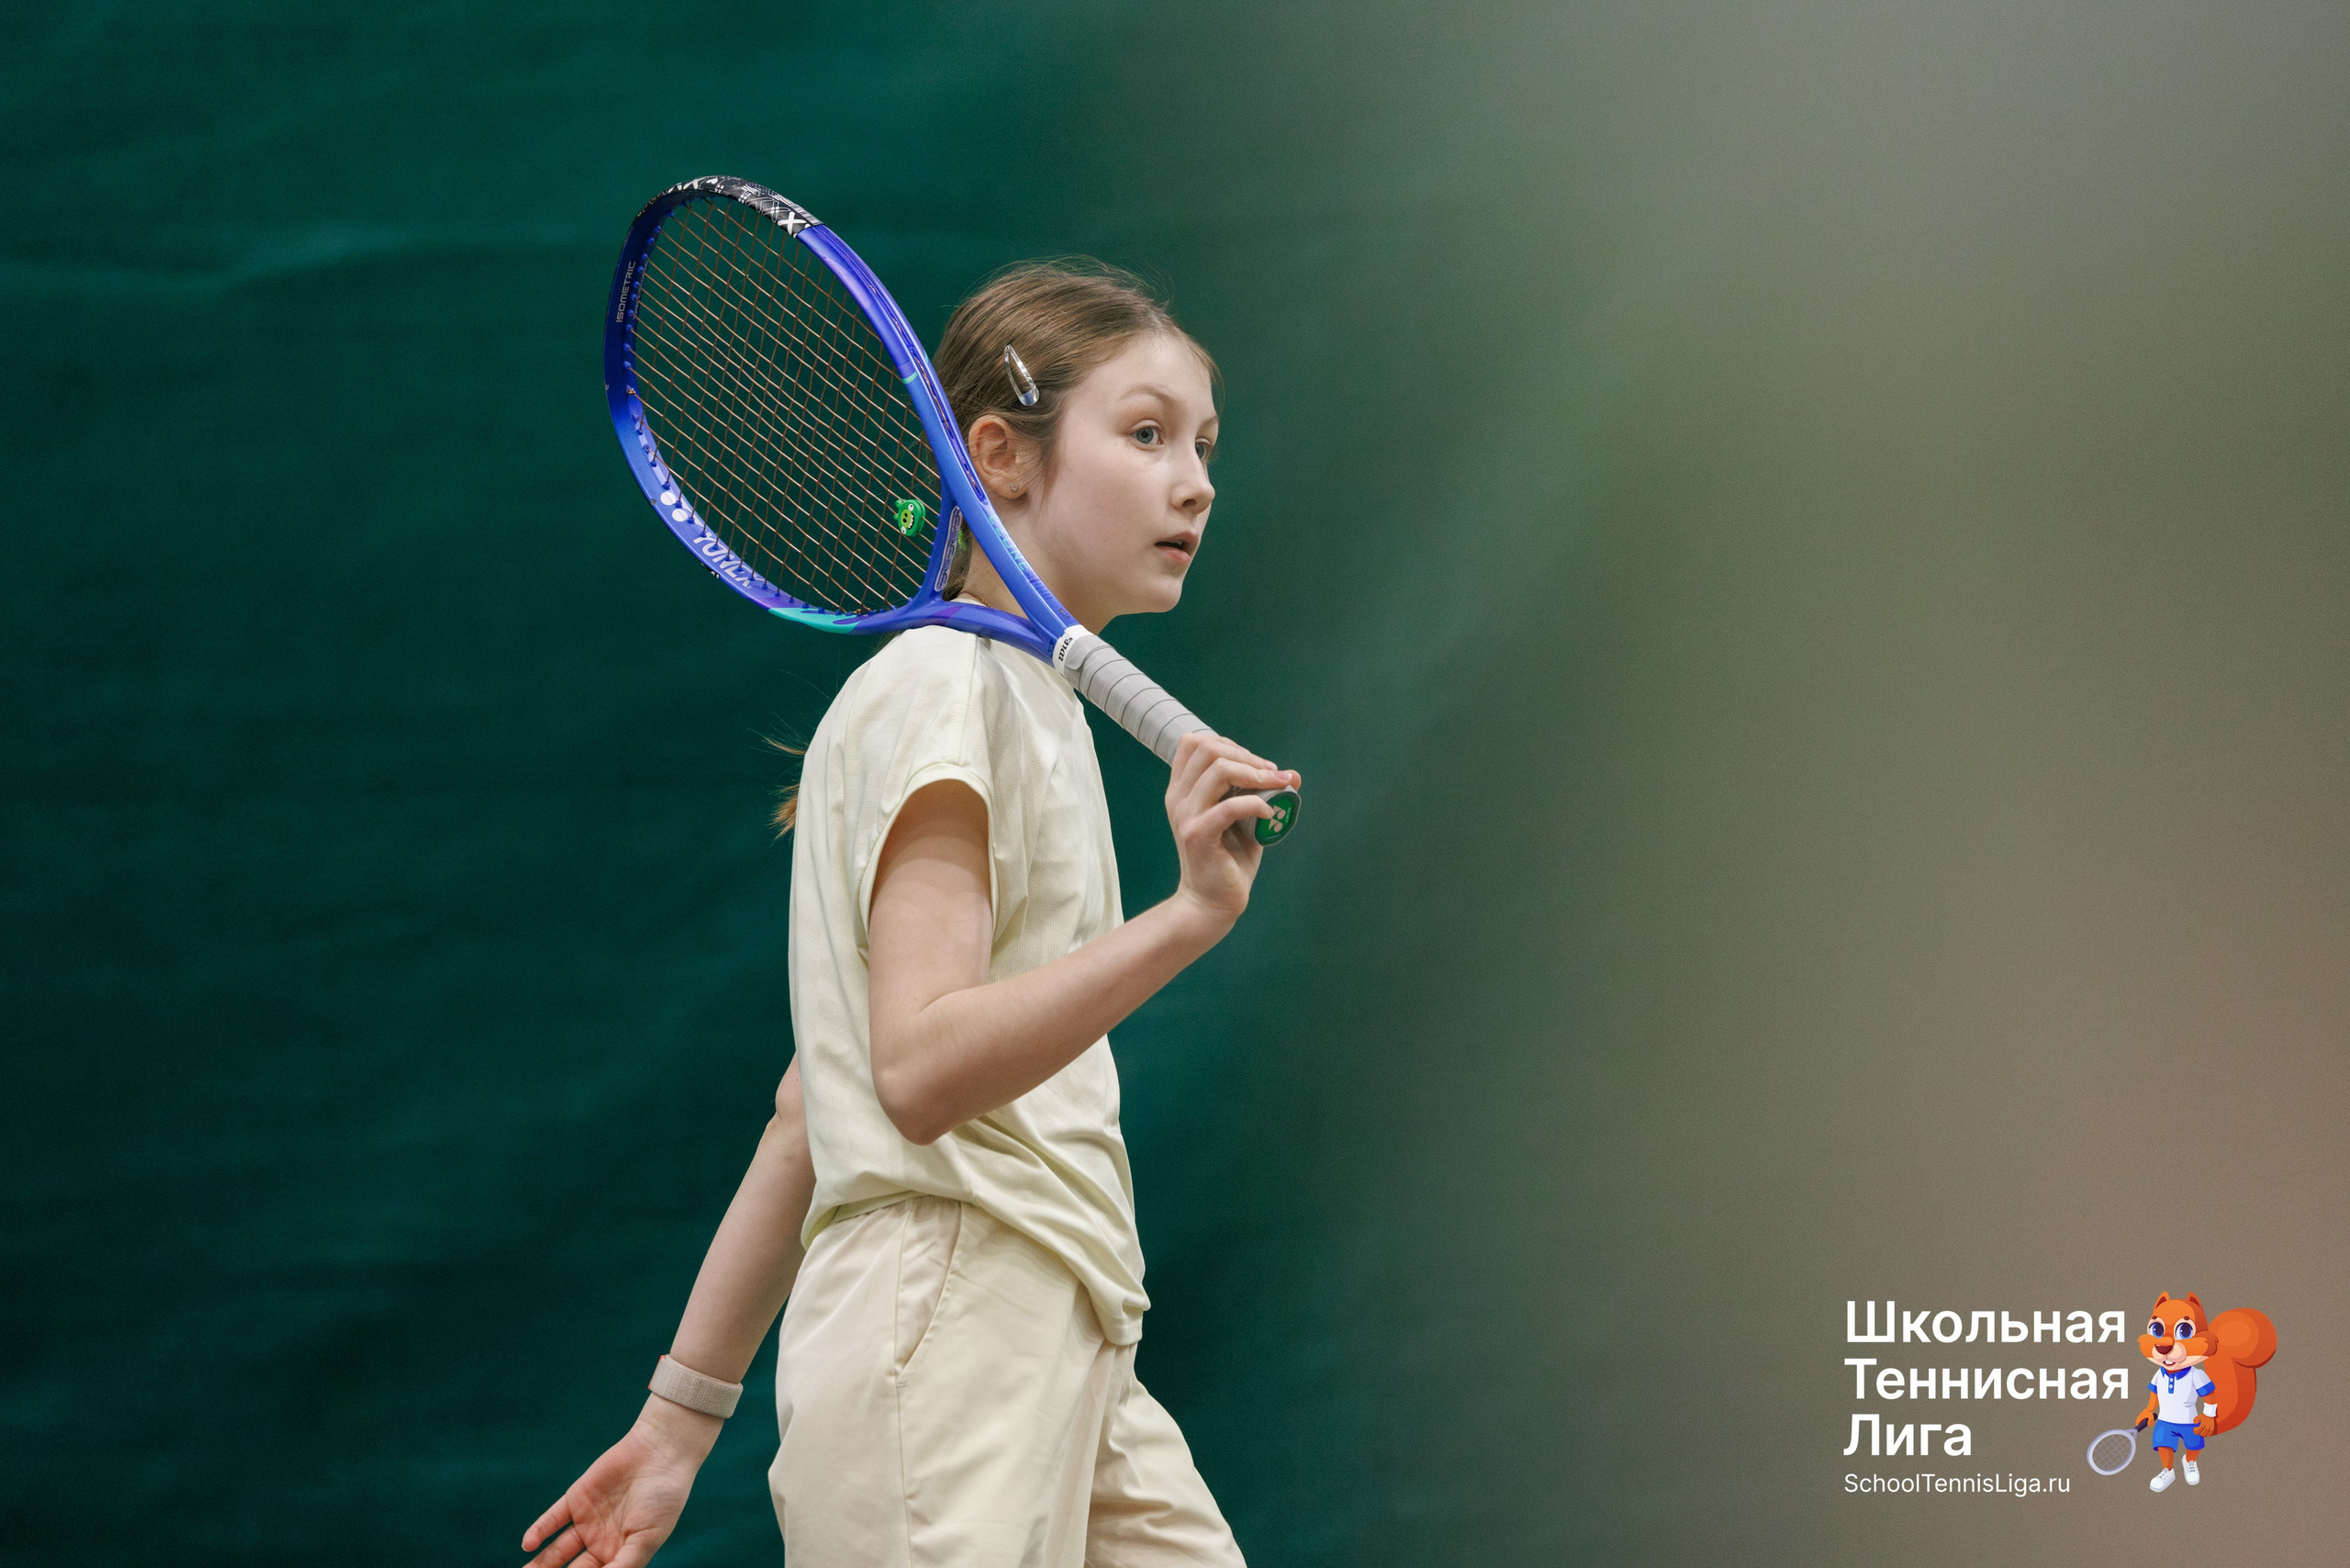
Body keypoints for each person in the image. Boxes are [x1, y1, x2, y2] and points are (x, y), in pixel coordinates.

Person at [522, 260, 1295, 1568]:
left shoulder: (1021, 704)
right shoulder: (944, 685)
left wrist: (677, 1423)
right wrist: (1187, 920)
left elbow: (809, 1112)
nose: (1196, 482)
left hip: (1067, 1329)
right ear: (997, 456)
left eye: (1205, 446)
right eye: (1147, 433)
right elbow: (920, 1072)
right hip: (942, 1328)